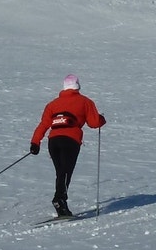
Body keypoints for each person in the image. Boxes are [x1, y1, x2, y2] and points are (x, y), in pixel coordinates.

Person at [30, 74, 106, 217]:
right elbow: (94, 123)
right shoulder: (84, 102)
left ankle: (61, 203)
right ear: (78, 86)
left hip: (53, 141)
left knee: (61, 173)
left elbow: (44, 124)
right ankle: (59, 200)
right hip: (70, 140)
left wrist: (35, 143)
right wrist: (101, 119)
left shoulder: (52, 104)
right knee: (65, 172)